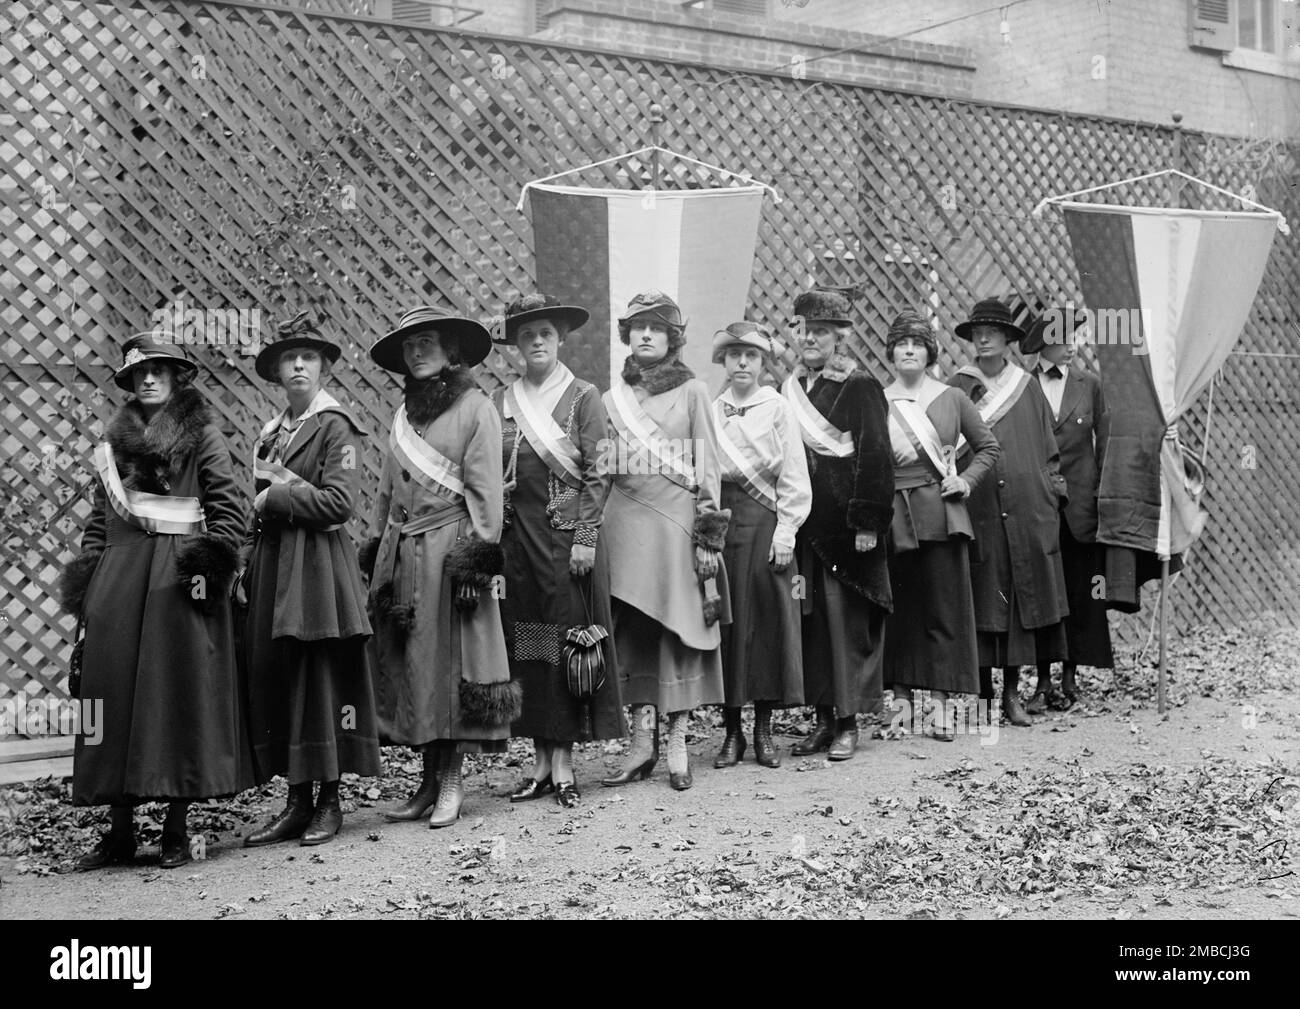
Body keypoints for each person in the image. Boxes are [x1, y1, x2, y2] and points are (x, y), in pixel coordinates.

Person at [58, 332, 252, 870]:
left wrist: (207, 570)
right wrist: (90, 586)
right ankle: (119, 832)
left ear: (177, 377)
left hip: (176, 581)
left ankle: (173, 828)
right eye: (139, 373)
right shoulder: (111, 446)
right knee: (113, 699)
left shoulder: (204, 436)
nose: (148, 378)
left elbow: (228, 514)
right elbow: (99, 524)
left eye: (159, 370)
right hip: (118, 584)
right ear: (127, 382)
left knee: (175, 698)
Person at [363, 305, 519, 829]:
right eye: (409, 345)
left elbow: (485, 496)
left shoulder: (477, 408)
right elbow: (386, 493)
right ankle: (427, 782)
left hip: (450, 553)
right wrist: (379, 555)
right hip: (406, 556)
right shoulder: (404, 415)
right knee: (417, 671)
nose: (416, 351)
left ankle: (451, 779)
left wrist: (473, 564)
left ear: (452, 349)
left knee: (451, 669)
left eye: (427, 341)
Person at [239, 312, 382, 847]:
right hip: (276, 564)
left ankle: (330, 801)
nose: (298, 365)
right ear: (277, 371)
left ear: (322, 369)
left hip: (319, 565)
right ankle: (296, 800)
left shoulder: (335, 425)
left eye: (309, 358)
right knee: (285, 675)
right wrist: (245, 565)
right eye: (289, 359)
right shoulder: (272, 433)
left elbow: (339, 503)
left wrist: (278, 496)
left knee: (321, 678)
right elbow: (254, 510)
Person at [491, 294, 623, 808]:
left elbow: (600, 470)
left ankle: (565, 764)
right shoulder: (505, 400)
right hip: (519, 543)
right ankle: (541, 763)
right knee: (534, 646)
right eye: (527, 335)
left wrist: (586, 537)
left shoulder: (584, 396)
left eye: (545, 332)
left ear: (560, 338)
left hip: (570, 541)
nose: (537, 341)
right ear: (516, 346)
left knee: (568, 646)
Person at [599, 291, 731, 792]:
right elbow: (603, 470)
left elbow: (709, 469)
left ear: (673, 339)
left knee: (678, 635)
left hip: (677, 524)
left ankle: (677, 741)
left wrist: (707, 536)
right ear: (628, 337)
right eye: (638, 328)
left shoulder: (694, 391)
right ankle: (641, 741)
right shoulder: (612, 401)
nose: (647, 335)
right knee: (633, 635)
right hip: (625, 527)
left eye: (657, 328)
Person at [782, 289, 894, 761]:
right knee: (814, 628)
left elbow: (876, 456)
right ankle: (823, 721)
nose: (810, 338)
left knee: (845, 626)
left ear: (839, 338)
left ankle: (849, 723)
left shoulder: (860, 385)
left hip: (846, 531)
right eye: (804, 330)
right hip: (807, 526)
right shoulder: (792, 388)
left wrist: (867, 521)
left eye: (821, 331)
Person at [948, 298, 1070, 727]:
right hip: (976, 508)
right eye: (976, 332)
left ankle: (1013, 695)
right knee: (982, 599)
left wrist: (1049, 499)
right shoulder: (957, 387)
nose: (983, 338)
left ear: (1007, 340)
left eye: (992, 332)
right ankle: (982, 695)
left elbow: (1048, 449)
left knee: (1017, 602)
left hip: (1025, 509)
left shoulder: (1027, 386)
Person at [880, 311, 1000, 740]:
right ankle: (900, 710)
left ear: (930, 352)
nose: (908, 349)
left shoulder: (952, 398)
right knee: (899, 612)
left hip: (943, 514)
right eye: (901, 343)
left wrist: (964, 481)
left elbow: (988, 447)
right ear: (891, 352)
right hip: (894, 516)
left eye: (917, 343)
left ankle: (944, 707)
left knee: (944, 610)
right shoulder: (879, 400)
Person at [710, 322, 810, 768]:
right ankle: (732, 731)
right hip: (725, 525)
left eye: (751, 355)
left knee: (768, 621)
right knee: (728, 626)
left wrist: (786, 532)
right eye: (734, 356)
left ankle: (764, 728)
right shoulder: (711, 410)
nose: (743, 363)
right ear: (724, 362)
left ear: (762, 362)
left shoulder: (777, 407)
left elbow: (793, 472)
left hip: (766, 522)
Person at [1021, 308, 1113, 711]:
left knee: (1080, 591)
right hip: (1037, 505)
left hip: (1080, 510)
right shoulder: (1021, 385)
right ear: (1044, 341)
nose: (1073, 343)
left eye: (1077, 335)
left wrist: (1099, 496)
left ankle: (1071, 677)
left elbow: (1106, 444)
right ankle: (1042, 680)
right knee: (1044, 592)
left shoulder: (1089, 384)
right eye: (1065, 336)